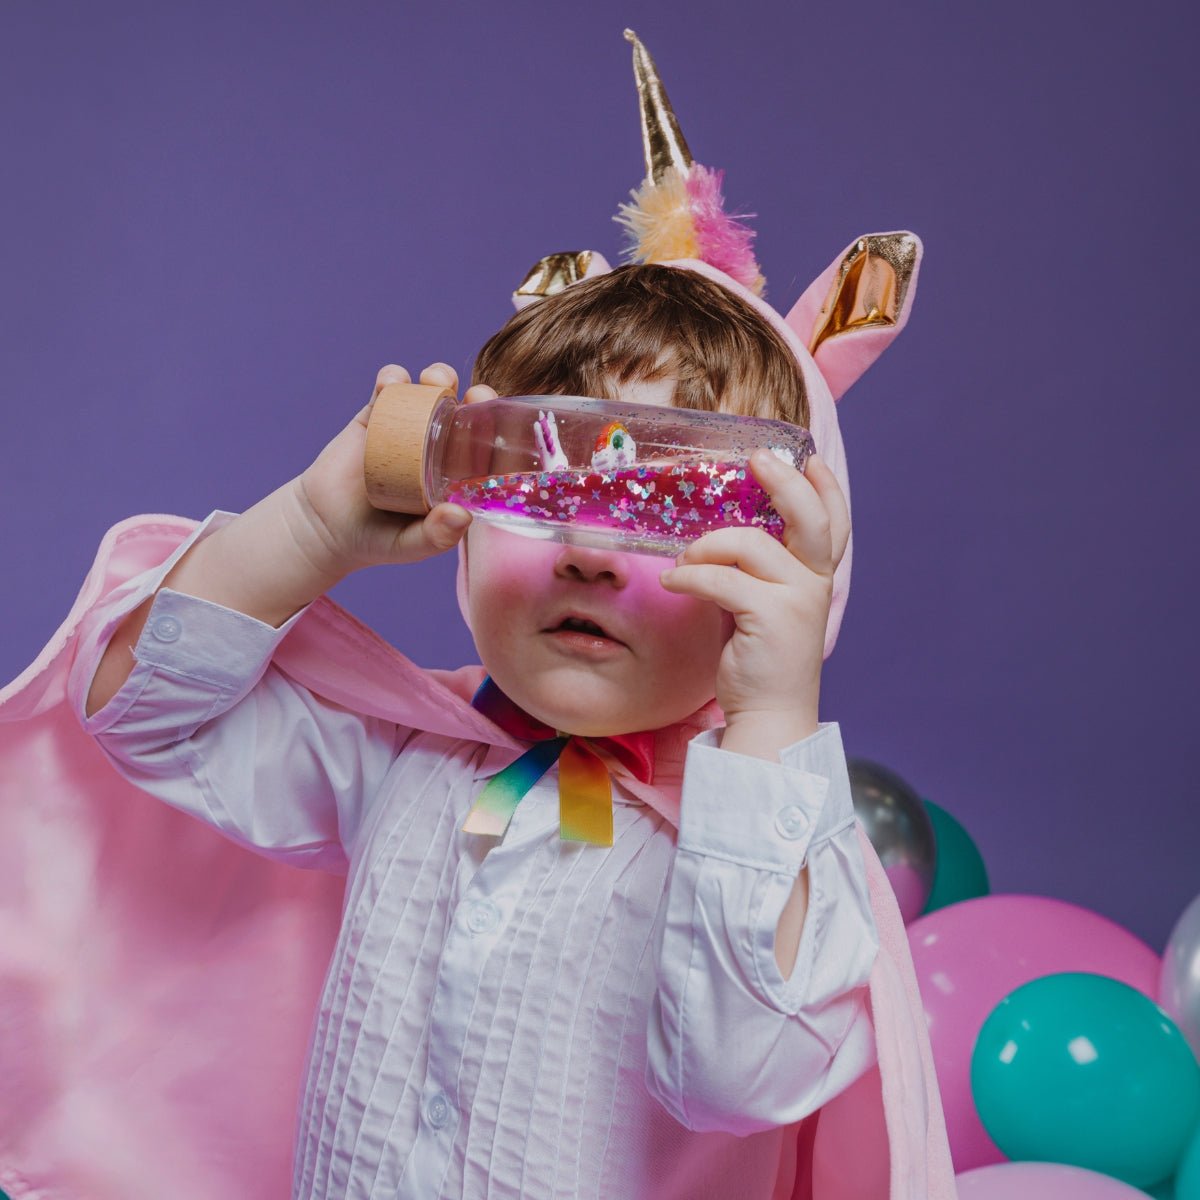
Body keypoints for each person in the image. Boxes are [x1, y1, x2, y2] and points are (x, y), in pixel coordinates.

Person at [0, 31, 956, 1200]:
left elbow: (737, 1075)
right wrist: (308, 531)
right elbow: (142, 709)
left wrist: (771, 718)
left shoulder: (775, 850)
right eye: (541, 485)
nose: (592, 553)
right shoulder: (403, 760)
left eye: (669, 503)